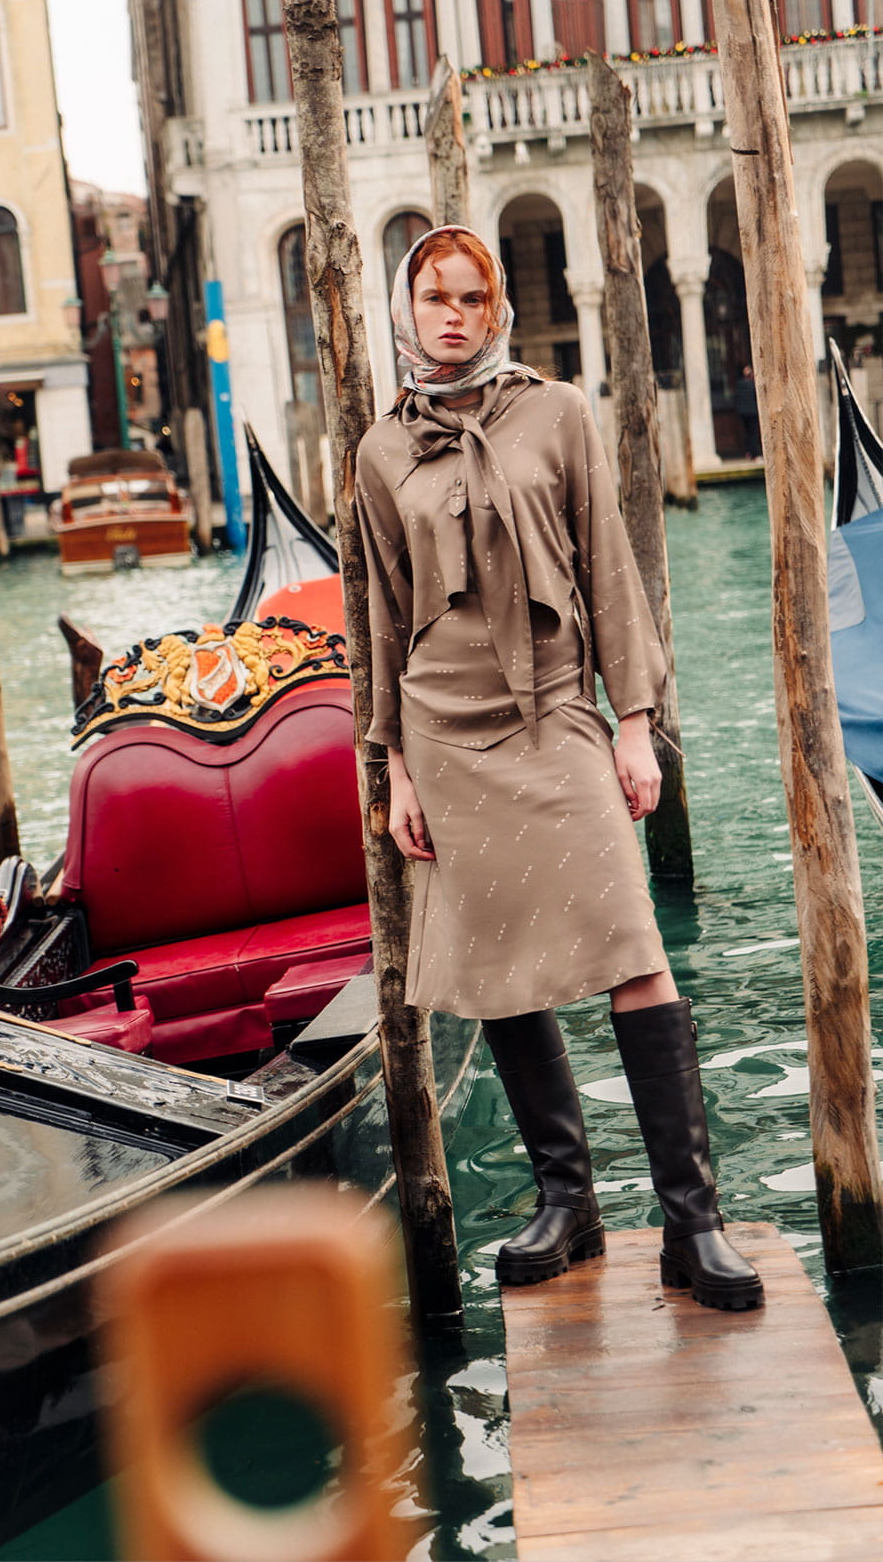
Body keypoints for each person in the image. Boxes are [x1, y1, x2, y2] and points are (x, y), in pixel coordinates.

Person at [355, 225, 762, 1312]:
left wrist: (633, 721)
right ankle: (565, 1203)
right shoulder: (379, 451)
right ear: (405, 309)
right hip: (442, 735)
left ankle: (694, 1223)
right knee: (494, 965)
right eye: (432, 296)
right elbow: (382, 620)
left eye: (470, 297)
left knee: (634, 948)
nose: (450, 314)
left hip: (553, 715)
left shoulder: (559, 413)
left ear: (496, 311)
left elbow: (609, 570)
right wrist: (393, 767)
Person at [734, 364, 761, 459]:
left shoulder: (739, 384)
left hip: (744, 413)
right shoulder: (750, 384)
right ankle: (755, 454)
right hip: (752, 413)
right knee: (753, 433)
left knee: (749, 433)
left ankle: (749, 452)